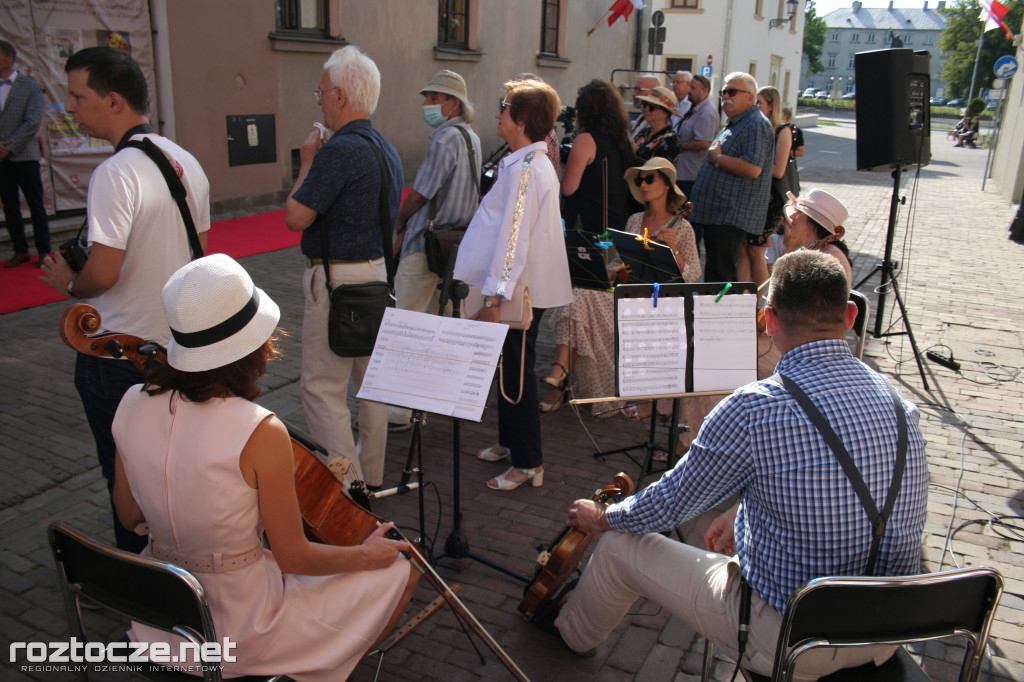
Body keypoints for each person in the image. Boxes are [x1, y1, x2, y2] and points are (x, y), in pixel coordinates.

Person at [546, 250, 928, 680]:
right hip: (887, 626)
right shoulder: (899, 403)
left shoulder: (755, 407)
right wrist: (737, 511)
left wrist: (604, 517)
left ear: (768, 319)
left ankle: (567, 636)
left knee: (619, 545)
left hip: (794, 638)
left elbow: (672, 503)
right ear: (851, 315)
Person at [112, 254, 419, 681]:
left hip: (160, 612)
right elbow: (294, 557)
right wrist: (365, 555)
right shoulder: (259, 430)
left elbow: (129, 516)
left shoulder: (130, 402)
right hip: (239, 626)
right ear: (254, 345)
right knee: (401, 570)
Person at [39, 46, 210, 553]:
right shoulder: (186, 162)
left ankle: (142, 587)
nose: (70, 107)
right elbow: (200, 262)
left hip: (117, 352)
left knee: (128, 485)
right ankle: (185, 566)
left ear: (113, 101)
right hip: (177, 348)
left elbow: (104, 272)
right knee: (176, 473)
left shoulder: (116, 172)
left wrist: (67, 284)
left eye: (77, 95)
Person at [285, 45, 403, 490]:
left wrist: (308, 162)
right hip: (374, 276)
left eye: (320, 91)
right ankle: (369, 474)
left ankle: (346, 487)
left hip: (337, 281)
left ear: (339, 96)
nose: (318, 99)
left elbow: (296, 216)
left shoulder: (340, 150)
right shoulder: (385, 147)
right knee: (372, 386)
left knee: (321, 389)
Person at [453, 77, 572, 490]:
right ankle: (509, 442)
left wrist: (493, 294)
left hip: (515, 290)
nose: (498, 114)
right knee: (507, 366)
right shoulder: (528, 163)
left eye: (504, 108)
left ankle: (528, 462)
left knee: (515, 375)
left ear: (519, 120)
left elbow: (513, 238)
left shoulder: (526, 168)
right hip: (520, 287)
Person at [542, 157, 700, 415]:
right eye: (641, 180)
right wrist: (607, 270)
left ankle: (558, 378)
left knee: (579, 301)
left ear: (667, 184)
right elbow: (619, 261)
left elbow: (693, 275)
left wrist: (674, 252)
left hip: (657, 304)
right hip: (626, 295)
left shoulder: (683, 227)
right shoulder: (635, 220)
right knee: (579, 293)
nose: (644, 184)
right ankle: (559, 373)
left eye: (650, 178)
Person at [387, 69, 481, 430]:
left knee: (406, 326)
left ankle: (398, 410)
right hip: (453, 243)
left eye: (432, 98)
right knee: (436, 326)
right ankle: (432, 399)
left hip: (426, 241)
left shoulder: (444, 139)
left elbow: (421, 193)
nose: (426, 104)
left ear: (452, 104)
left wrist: (398, 225)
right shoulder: (471, 137)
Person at [689, 72, 773, 283]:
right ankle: (712, 313)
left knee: (721, 276)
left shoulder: (755, 123)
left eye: (732, 91)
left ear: (750, 97)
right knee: (717, 273)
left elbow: (754, 168)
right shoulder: (738, 122)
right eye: (723, 91)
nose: (726, 96)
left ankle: (718, 315)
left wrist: (717, 158)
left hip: (730, 214)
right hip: (719, 214)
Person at [737, 86, 794, 288]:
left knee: (756, 250)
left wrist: (750, 164)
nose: (756, 106)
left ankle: (759, 303)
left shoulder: (782, 131)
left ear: (771, 106)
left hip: (768, 201)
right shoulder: (755, 128)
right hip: (751, 198)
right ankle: (740, 301)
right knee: (743, 249)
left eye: (759, 102)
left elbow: (779, 170)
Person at [560, 78, 634, 234]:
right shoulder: (623, 140)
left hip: (591, 225)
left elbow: (568, 188)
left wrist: (560, 162)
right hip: (619, 222)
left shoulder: (586, 140)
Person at [1, 40, 50, 268]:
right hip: (1, 158)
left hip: (24, 154)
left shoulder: (29, 86)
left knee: (35, 204)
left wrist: (9, 146)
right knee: (9, 204)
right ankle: (20, 249)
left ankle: (44, 250)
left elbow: (32, 122)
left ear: (9, 58)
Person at [673, 74, 720, 251]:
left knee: (690, 222)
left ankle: (688, 258)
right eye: (690, 87)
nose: (689, 91)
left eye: (693, 88)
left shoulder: (706, 112)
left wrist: (679, 146)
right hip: (685, 171)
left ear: (705, 91)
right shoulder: (697, 108)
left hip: (693, 174)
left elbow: (704, 142)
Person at [783, 188, 852, 283]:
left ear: (814, 222)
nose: (792, 216)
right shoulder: (809, 250)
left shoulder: (831, 256)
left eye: (799, 212)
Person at [633, 86, 681, 164]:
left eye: (652, 107)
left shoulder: (671, 140)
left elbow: (658, 169)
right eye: (645, 104)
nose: (646, 109)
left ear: (665, 113)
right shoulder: (644, 132)